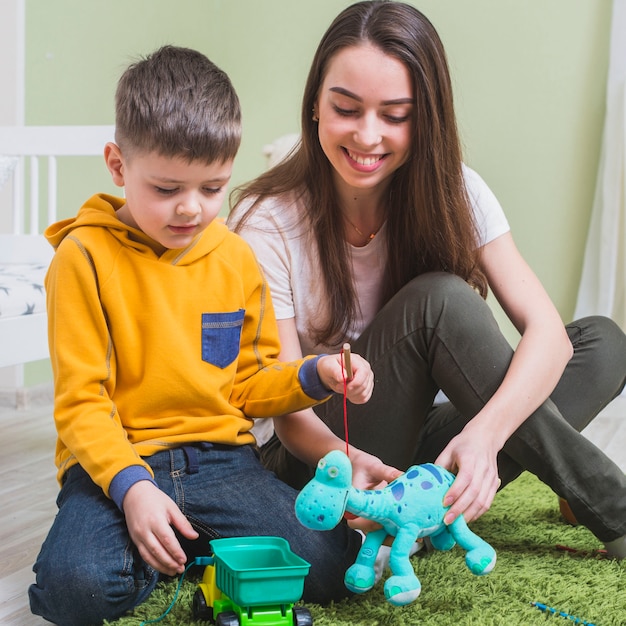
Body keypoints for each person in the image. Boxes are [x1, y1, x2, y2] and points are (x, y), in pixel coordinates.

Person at [229, 0, 626, 560]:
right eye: (347, 108)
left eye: (395, 115)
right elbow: (287, 412)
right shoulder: (265, 221)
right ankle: (612, 505)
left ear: (426, 117)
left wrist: (485, 435)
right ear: (316, 105)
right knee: (439, 300)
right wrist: (348, 460)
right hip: (327, 460)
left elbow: (548, 334)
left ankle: (420, 510)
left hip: (421, 448)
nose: (368, 136)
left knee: (601, 344)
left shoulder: (455, 190)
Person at [27, 45, 395, 626]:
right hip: (118, 464)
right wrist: (132, 490)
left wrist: (314, 374)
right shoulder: (81, 259)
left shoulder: (235, 257)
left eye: (212, 187)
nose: (191, 210)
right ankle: (181, 546)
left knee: (328, 568)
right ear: (118, 166)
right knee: (76, 590)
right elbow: (81, 403)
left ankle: (189, 546)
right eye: (168, 188)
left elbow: (249, 384)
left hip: (223, 462)